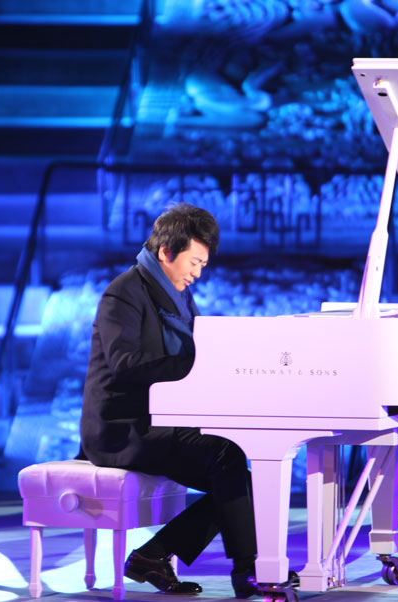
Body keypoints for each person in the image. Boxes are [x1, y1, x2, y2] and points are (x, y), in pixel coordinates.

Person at [78, 203, 260, 597]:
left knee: (243, 474)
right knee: (226, 458)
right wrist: (196, 362)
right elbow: (125, 366)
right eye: (194, 262)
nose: (198, 272)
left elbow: (190, 358)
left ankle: (155, 555)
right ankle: (248, 573)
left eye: (203, 264)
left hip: (158, 419)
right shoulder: (123, 294)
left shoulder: (175, 298)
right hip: (122, 427)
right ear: (166, 253)